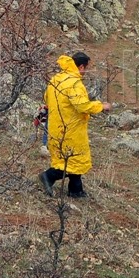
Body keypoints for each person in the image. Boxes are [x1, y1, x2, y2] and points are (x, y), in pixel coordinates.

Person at [39, 51, 112, 199]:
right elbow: (82, 106)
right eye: (85, 68)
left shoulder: (56, 79)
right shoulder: (74, 83)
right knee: (71, 159)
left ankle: (76, 190)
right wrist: (101, 106)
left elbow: (46, 98)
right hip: (70, 128)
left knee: (71, 159)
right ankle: (48, 176)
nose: (85, 71)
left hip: (55, 126)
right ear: (81, 66)